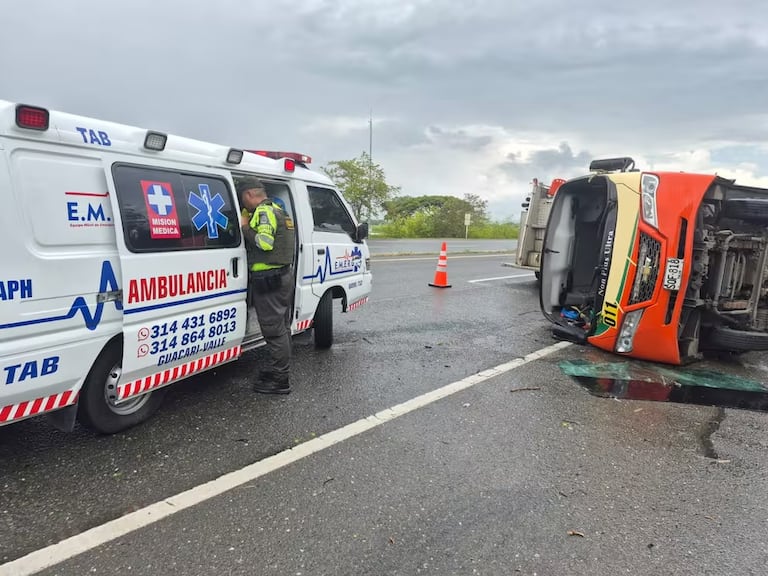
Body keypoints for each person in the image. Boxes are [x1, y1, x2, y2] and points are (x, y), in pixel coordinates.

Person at [237, 176, 296, 394]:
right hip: (281, 276)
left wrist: (244, 228)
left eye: (243, 199)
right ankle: (279, 370)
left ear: (249, 195)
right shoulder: (278, 210)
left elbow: (264, 242)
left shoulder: (264, 212)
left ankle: (280, 380)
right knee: (282, 327)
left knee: (273, 330)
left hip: (270, 279)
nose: (243, 204)